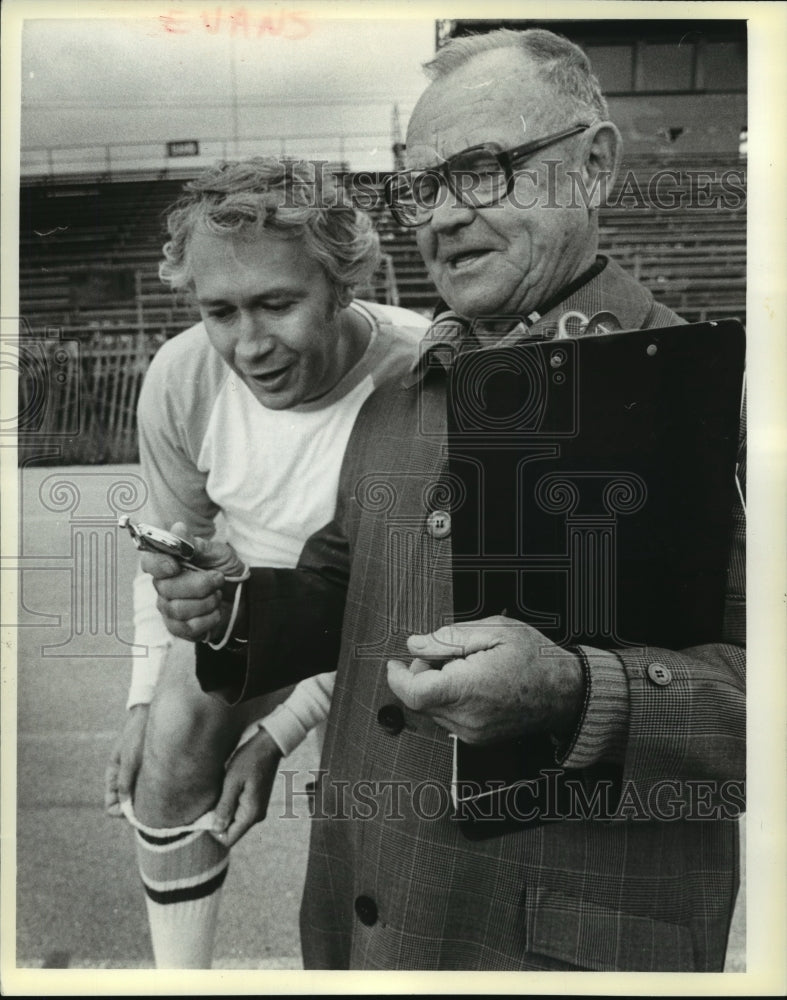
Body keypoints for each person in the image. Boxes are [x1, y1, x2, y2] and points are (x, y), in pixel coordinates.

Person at [144, 29, 745, 971]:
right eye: (424, 185)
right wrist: (232, 608)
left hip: (560, 952)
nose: (444, 217)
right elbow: (346, 588)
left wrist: (574, 690)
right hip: (362, 922)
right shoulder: (400, 395)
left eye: (484, 169)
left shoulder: (727, 392)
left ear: (592, 167)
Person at [103, 156, 428, 968]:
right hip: (248, 601)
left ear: (344, 281)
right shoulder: (182, 375)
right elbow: (171, 557)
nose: (249, 345)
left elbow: (404, 603)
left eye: (278, 304)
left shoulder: (417, 374)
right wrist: (144, 700)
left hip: (392, 609)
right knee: (170, 746)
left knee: (393, 799)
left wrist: (277, 735)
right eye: (221, 311)